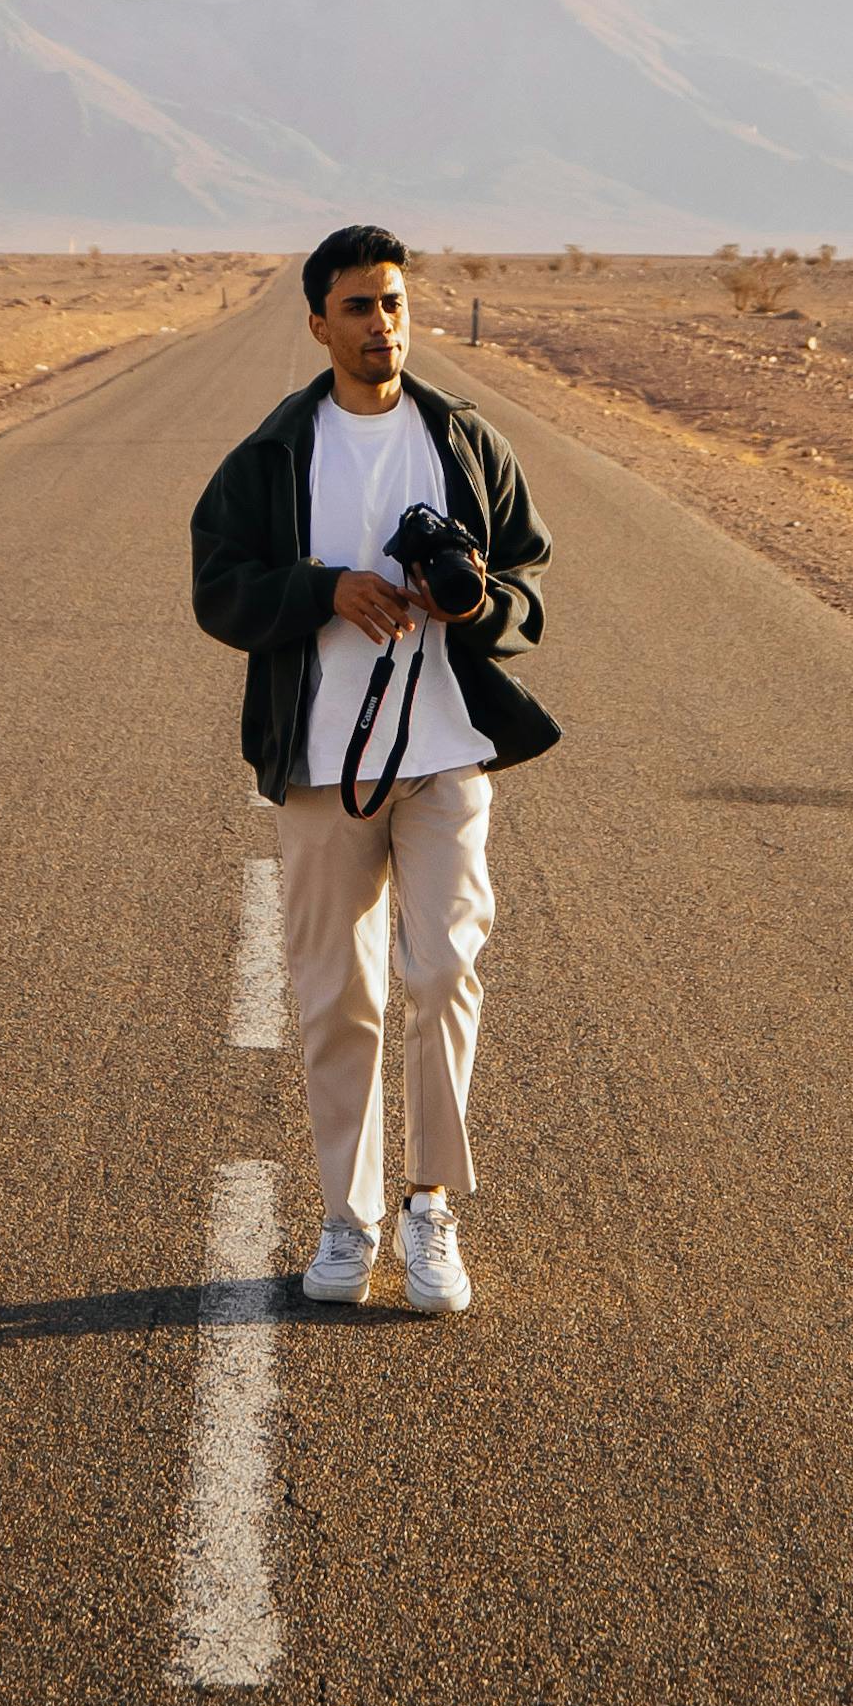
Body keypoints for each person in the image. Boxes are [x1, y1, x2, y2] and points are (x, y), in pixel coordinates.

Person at [189, 221, 558, 1314]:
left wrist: (483, 603)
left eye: (393, 302)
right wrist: (323, 592)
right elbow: (219, 586)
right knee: (336, 995)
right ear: (318, 324)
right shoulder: (273, 454)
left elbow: (531, 577)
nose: (381, 324)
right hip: (320, 764)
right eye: (357, 306)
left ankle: (431, 1204)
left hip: (446, 753)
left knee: (443, 970)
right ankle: (346, 1220)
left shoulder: (464, 441)